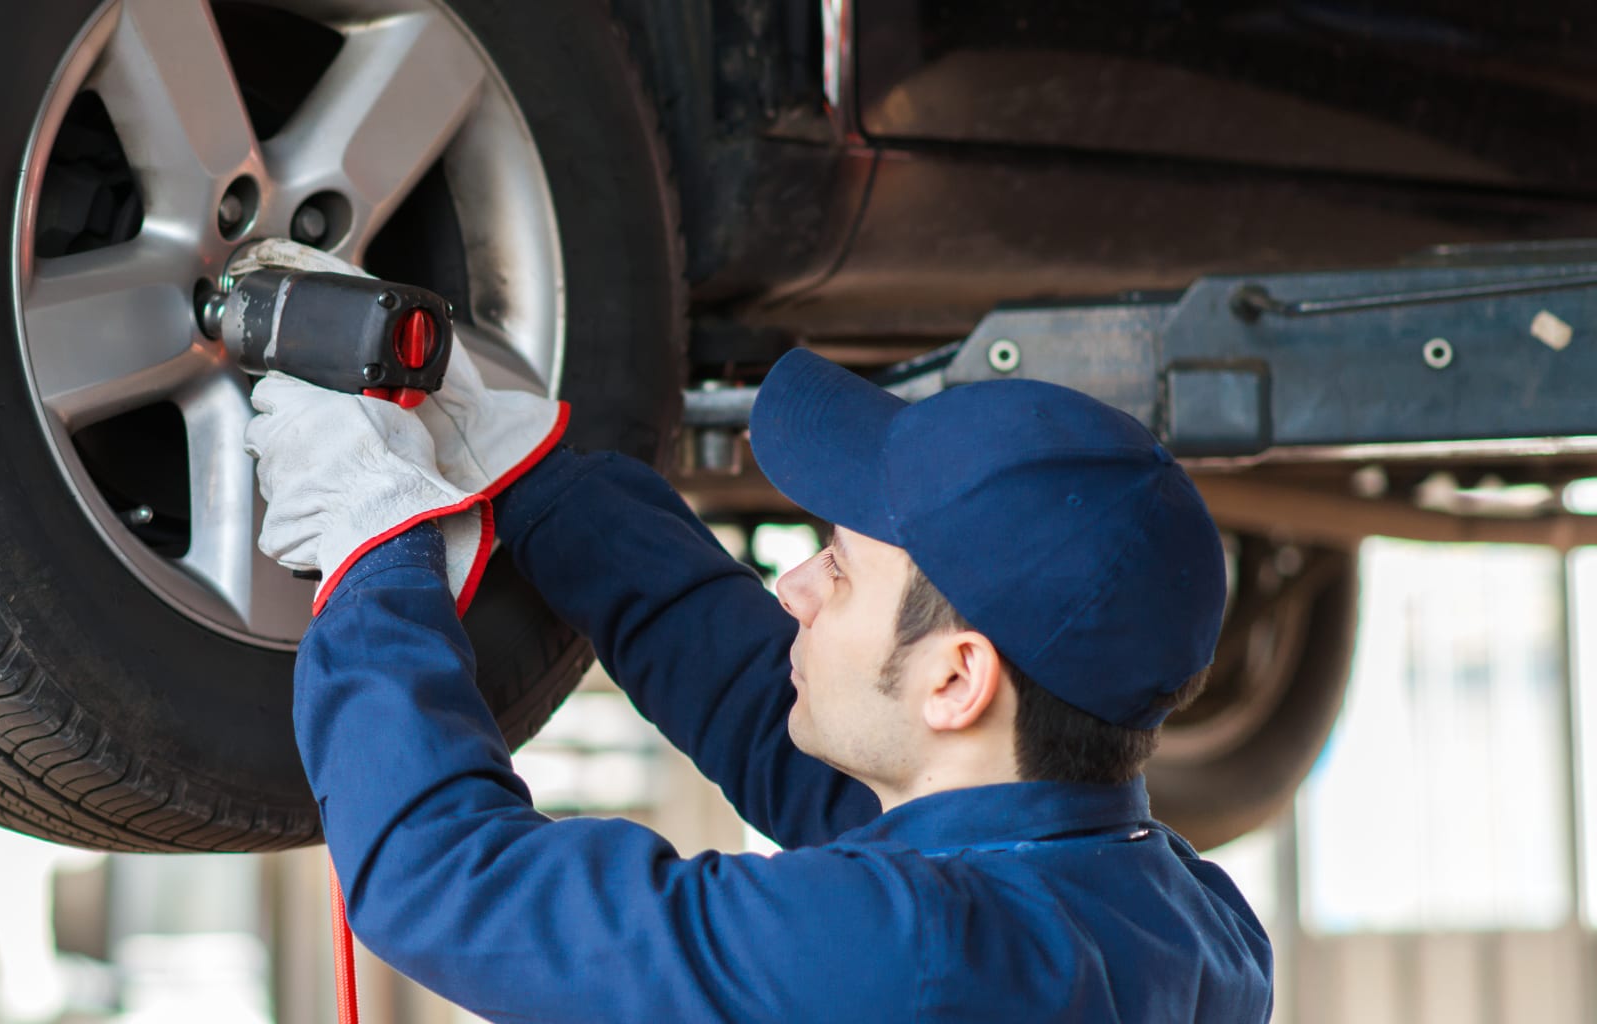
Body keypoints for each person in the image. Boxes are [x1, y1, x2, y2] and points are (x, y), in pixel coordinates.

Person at [244, 272, 1275, 1020]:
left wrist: (373, 546)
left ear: (957, 679)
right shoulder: (1183, 922)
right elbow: (758, 711)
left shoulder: (913, 955)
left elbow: (448, 882)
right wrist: (535, 477)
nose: (793, 586)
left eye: (837, 564)